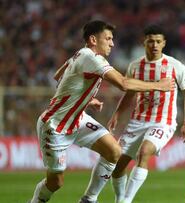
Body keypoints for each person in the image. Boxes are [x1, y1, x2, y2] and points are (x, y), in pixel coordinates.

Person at [29, 20, 174, 203]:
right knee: (56, 182)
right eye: (108, 38)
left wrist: (85, 98)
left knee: (114, 151)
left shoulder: (81, 54)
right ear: (93, 40)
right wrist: (158, 85)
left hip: (78, 119)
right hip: (55, 126)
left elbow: (59, 75)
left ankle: (89, 199)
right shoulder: (90, 58)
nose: (112, 43)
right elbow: (123, 84)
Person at [81, 24, 185, 203]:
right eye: (151, 41)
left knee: (145, 151)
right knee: (117, 167)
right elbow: (129, 94)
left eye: (158, 41)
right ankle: (120, 200)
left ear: (164, 43)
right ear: (144, 42)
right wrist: (117, 114)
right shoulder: (135, 66)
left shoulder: (175, 66)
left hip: (163, 122)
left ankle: (126, 200)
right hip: (137, 122)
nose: (154, 45)